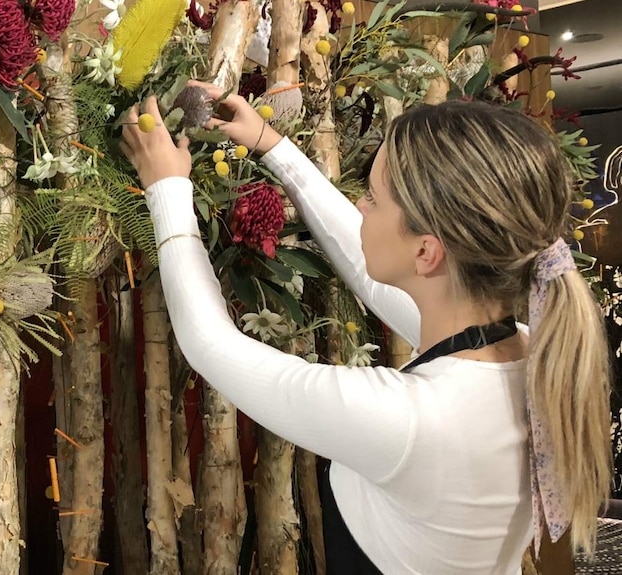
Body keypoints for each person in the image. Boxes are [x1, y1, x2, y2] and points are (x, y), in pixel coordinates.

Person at [120, 82, 611, 574]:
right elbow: (371, 275)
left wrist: (166, 188)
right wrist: (269, 142)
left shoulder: (411, 420)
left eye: (373, 198)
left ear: (426, 252)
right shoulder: (524, 349)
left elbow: (211, 344)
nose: (359, 206)